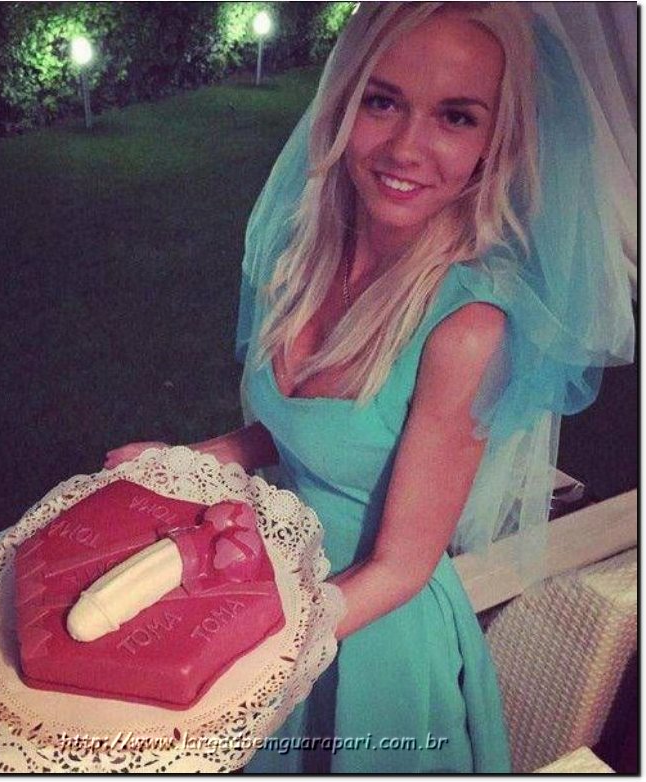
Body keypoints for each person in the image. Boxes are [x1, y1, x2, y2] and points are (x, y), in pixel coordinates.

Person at [105, 2, 634, 773]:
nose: (406, 148)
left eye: (456, 117)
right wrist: (193, 457)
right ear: (342, 100)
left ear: (498, 143)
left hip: (364, 642)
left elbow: (401, 569)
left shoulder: (467, 331)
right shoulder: (301, 257)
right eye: (383, 102)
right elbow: (310, 434)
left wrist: (246, 652)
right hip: (264, 580)